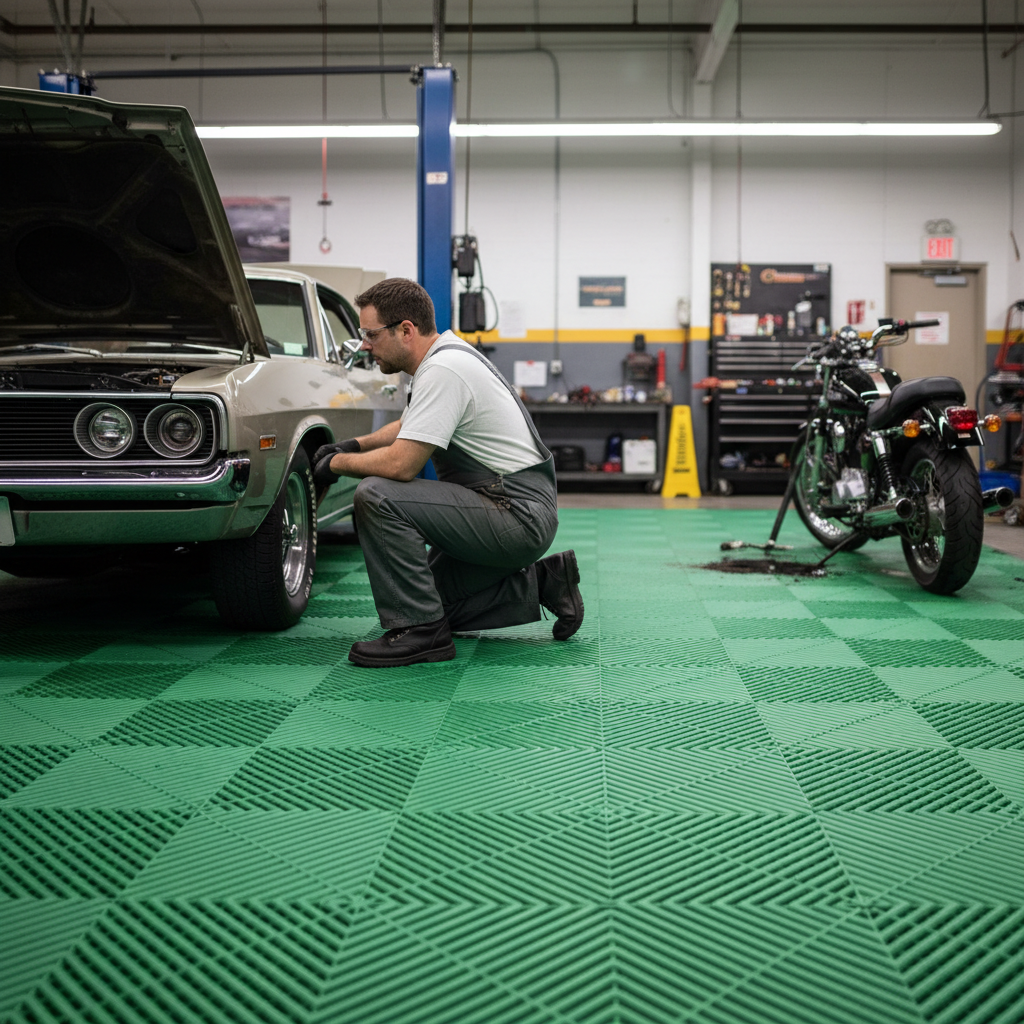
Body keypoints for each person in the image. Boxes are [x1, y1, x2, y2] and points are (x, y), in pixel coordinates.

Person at [313, 278, 583, 668]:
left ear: (405, 330)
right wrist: (351, 446)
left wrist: (333, 465)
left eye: (370, 334)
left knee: (377, 494)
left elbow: (400, 465)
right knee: (428, 602)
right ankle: (545, 583)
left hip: (515, 513)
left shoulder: (444, 369)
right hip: (508, 507)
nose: (365, 345)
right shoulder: (444, 358)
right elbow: (408, 425)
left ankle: (424, 637)